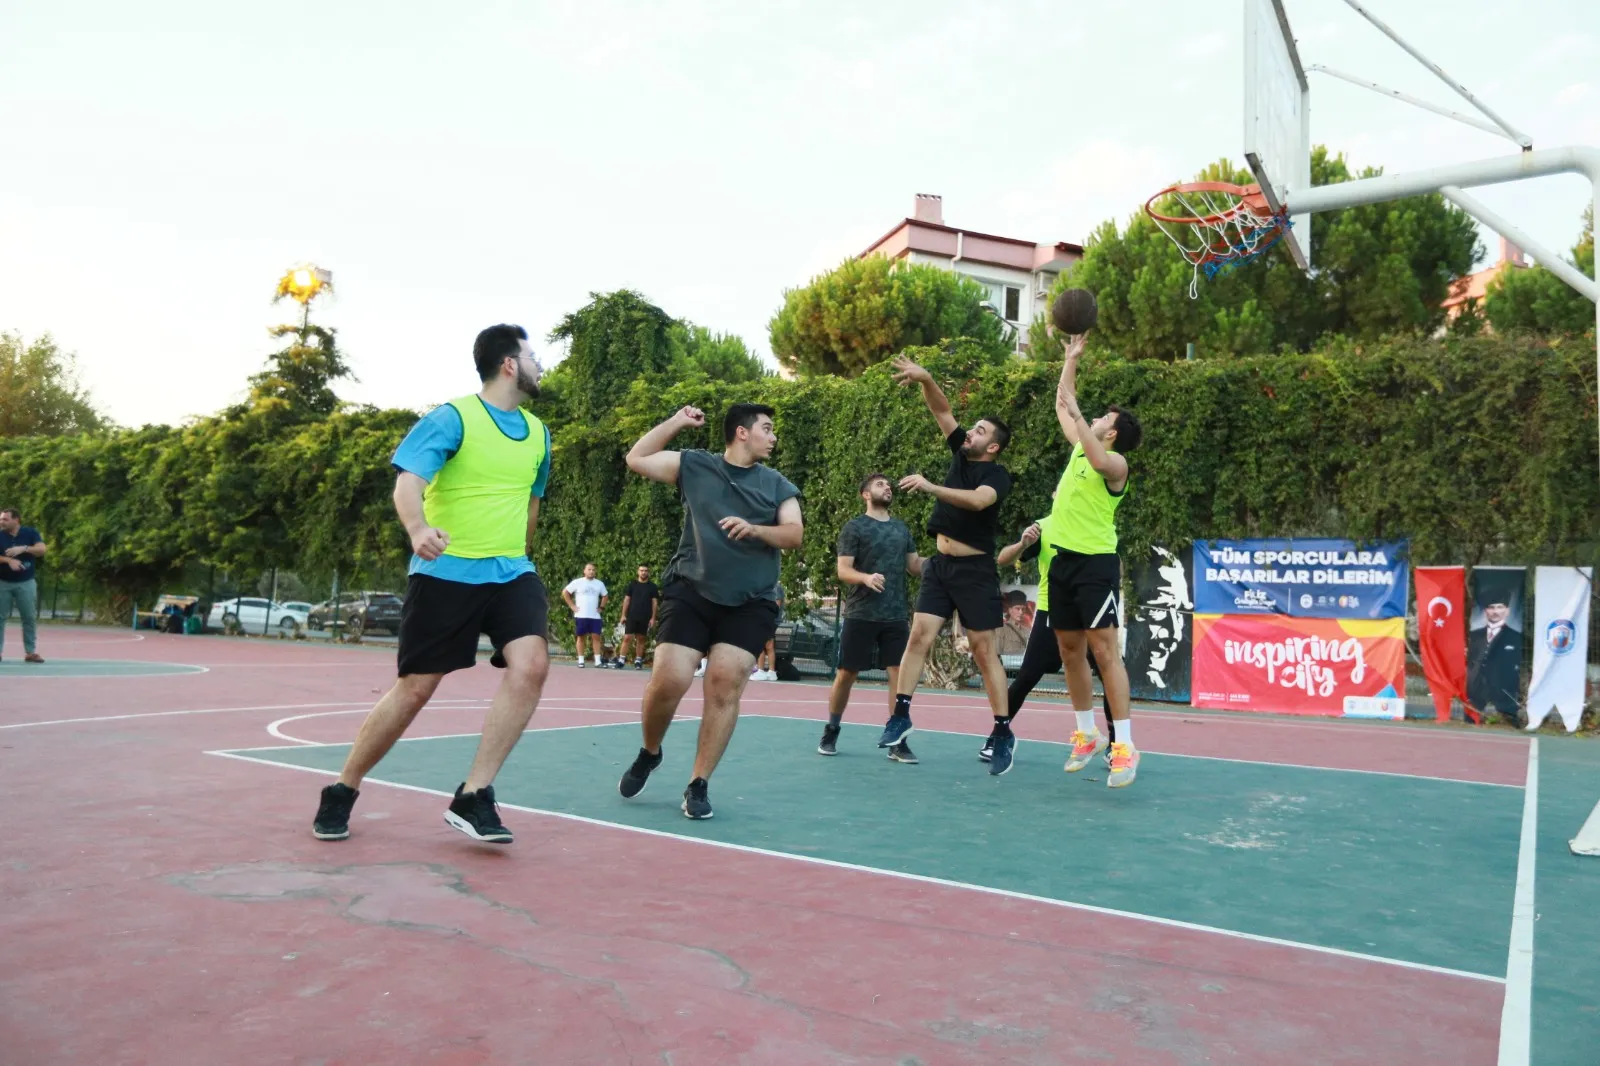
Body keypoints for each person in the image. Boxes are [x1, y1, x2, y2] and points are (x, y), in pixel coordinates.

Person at [310, 323, 554, 844]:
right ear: (509, 364)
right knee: (417, 687)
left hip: (511, 571)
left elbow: (532, 504)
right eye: (532, 356)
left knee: (531, 665)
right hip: (447, 573)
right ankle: (343, 789)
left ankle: (474, 794)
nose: (540, 365)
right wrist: (418, 528)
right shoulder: (453, 418)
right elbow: (409, 481)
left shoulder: (538, 432)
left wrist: (521, 554)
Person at [617, 403, 802, 819]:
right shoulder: (696, 466)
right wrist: (677, 421)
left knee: (723, 683)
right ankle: (650, 752)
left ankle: (698, 783)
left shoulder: (777, 485)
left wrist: (756, 529)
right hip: (692, 590)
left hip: (751, 601)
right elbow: (636, 458)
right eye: (767, 429)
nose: (773, 437)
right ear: (741, 432)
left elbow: (794, 533)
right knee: (670, 679)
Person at [875, 356, 1016, 774]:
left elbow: (978, 501)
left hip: (975, 571)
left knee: (983, 649)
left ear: (992, 446)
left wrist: (931, 486)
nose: (970, 432)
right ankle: (900, 714)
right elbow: (941, 409)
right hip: (940, 566)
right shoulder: (960, 453)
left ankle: (1003, 730)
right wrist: (927, 378)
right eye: (972, 428)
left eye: (980, 431)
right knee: (917, 637)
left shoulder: (998, 475)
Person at [1049, 332, 1143, 787]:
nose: (1101, 414)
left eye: (1107, 415)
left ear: (1114, 430)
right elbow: (1063, 408)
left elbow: (1090, 443)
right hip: (1063, 561)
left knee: (1105, 650)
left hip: (1096, 564)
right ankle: (1087, 733)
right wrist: (1070, 360)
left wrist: (1082, 412)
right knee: (1070, 651)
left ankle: (1124, 744)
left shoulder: (1118, 464)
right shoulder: (1080, 446)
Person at [990, 516, 1115, 764]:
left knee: (1111, 673)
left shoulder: (1096, 522)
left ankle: (1116, 745)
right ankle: (998, 735)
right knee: (1026, 677)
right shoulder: (1043, 527)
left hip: (1090, 610)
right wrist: (1023, 544)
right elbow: (1003, 559)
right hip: (1052, 610)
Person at [819, 473, 922, 760]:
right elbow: (843, 570)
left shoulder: (902, 529)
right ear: (865, 494)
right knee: (846, 674)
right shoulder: (855, 527)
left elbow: (914, 566)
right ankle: (832, 729)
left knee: (898, 676)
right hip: (861, 613)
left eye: (888, 485)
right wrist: (864, 578)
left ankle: (897, 739)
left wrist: (947, 559)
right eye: (880, 484)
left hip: (895, 615)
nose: (887, 487)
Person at [1467, 595, 1524, 724]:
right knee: (1470, 718)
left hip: (1503, 684)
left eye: (1500, 607)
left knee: (1510, 721)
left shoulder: (1515, 636)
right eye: (1491, 607)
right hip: (1478, 683)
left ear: (1507, 611)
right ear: (1486, 611)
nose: (1495, 611)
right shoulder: (1476, 636)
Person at [0, 508, 47, 664]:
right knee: (0, 618)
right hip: (3, 583)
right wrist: (8, 560)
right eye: (1, 519)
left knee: (29, 617)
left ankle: (30, 652)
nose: (1, 522)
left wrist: (24, 548)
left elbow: (42, 549)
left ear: (16, 520)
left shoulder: (30, 533)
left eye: (5, 519)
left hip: (26, 582)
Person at [562, 563, 609, 668]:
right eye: (589, 569)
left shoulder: (599, 584)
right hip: (581, 615)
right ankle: (581, 660)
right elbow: (565, 592)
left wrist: (601, 607)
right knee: (581, 637)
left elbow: (605, 596)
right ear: (584, 571)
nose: (591, 571)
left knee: (596, 637)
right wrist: (572, 606)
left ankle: (597, 661)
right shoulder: (577, 582)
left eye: (593, 570)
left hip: (595, 616)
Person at [616, 565, 660, 669]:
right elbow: (626, 600)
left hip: (645, 616)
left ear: (648, 572)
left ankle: (638, 661)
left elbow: (654, 603)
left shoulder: (652, 586)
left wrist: (653, 618)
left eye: (645, 571)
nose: (643, 572)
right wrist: (623, 615)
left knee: (641, 638)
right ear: (638, 572)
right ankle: (621, 660)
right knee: (627, 638)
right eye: (641, 570)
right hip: (632, 616)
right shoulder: (632, 585)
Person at [751, 584, 785, 682]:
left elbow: (776, 606)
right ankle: (771, 672)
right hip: (768, 621)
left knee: (762, 645)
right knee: (769, 646)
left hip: (769, 621)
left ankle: (761, 671)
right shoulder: (768, 588)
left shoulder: (775, 587)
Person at [996, 590, 1032, 660]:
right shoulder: (1000, 629)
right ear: (1010, 610)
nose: (1021, 612)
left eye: (1023, 609)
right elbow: (997, 653)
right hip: (1006, 667)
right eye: (1017, 608)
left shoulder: (1027, 631)